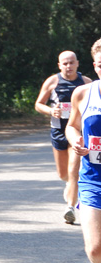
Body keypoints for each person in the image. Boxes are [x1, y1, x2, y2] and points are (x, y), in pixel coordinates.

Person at [35, 51, 91, 224]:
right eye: (65, 63)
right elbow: (38, 104)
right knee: (63, 174)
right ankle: (70, 186)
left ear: (77, 64)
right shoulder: (53, 81)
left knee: (74, 170)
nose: (68, 66)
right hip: (58, 131)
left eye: (71, 63)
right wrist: (52, 111)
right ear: (59, 65)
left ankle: (70, 207)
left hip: (77, 132)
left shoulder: (87, 83)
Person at [66, 38, 101, 263]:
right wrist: (75, 137)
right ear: (95, 66)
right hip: (93, 180)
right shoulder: (84, 94)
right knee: (95, 249)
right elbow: (72, 125)